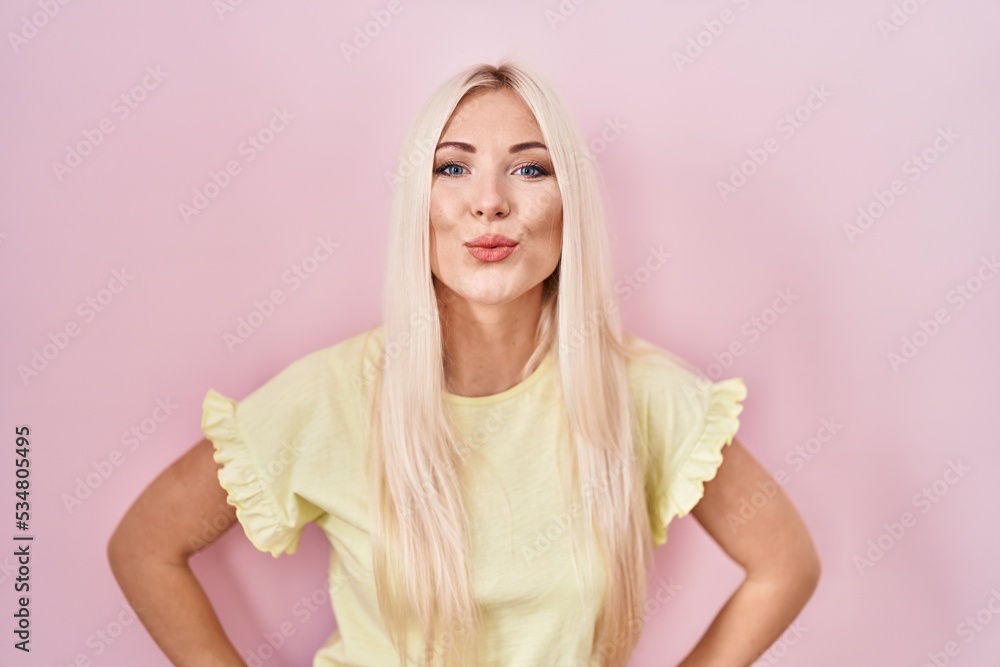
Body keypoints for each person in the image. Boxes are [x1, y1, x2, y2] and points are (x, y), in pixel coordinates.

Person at [107, 60, 820, 667]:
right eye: (453, 166)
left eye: (529, 168)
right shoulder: (334, 396)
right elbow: (146, 545)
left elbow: (784, 563)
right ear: (419, 206)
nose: (489, 202)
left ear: (570, 209)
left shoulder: (641, 395)